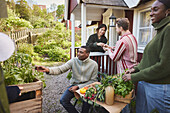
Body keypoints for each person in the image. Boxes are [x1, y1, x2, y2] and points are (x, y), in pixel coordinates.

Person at [122, 0, 170, 113]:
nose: (151, 13)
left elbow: (164, 66)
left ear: (168, 11)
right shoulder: (160, 30)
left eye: (156, 9)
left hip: (158, 87)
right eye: (151, 10)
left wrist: (134, 77)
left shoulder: (168, 29)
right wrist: (135, 69)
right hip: (146, 83)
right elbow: (150, 59)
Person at [36, 46, 98, 113]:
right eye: (78, 52)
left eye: (81, 52)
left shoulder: (94, 64)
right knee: (63, 100)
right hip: (74, 85)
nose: (78, 54)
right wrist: (48, 70)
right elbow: (60, 69)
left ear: (87, 54)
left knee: (87, 102)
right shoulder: (73, 61)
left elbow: (93, 81)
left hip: (87, 87)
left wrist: (78, 87)